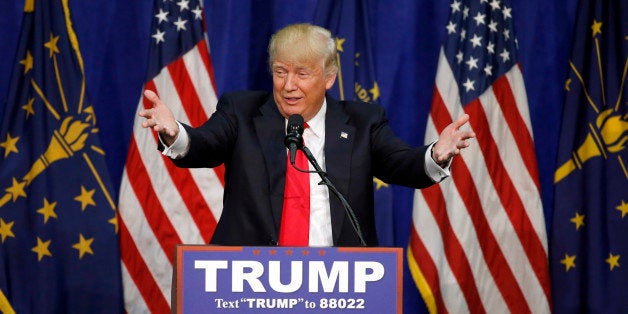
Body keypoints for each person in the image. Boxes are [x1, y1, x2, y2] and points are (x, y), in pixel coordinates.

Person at [139, 23, 475, 247]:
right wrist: (176, 133)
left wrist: (435, 154)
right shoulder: (240, 111)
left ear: (329, 78)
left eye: (302, 74)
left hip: (336, 284)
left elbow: (401, 163)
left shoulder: (362, 121)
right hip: (251, 283)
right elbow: (204, 145)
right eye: (280, 72)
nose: (288, 86)